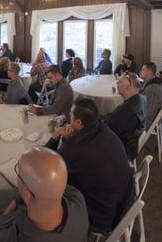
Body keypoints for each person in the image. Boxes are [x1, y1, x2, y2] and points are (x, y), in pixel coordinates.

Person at [0, 146, 88, 242]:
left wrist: (1, 218)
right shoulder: (77, 199)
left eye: (18, 172)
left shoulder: (7, 234)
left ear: (27, 194)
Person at [46, 98, 133, 233]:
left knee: (52, 192)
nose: (69, 117)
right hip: (124, 196)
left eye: (71, 115)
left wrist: (56, 136)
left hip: (103, 215)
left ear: (79, 122)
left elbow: (48, 165)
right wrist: (73, 137)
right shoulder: (102, 127)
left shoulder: (74, 149)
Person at [103, 73, 146, 160]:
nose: (117, 83)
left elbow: (106, 128)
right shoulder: (142, 98)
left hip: (122, 149)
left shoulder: (127, 110)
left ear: (129, 87)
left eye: (120, 81)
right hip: (130, 141)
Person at [140, 62, 162, 127]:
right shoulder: (148, 83)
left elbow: (149, 114)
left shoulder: (152, 89)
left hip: (147, 123)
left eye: (143, 70)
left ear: (150, 72)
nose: (140, 71)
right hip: (143, 115)